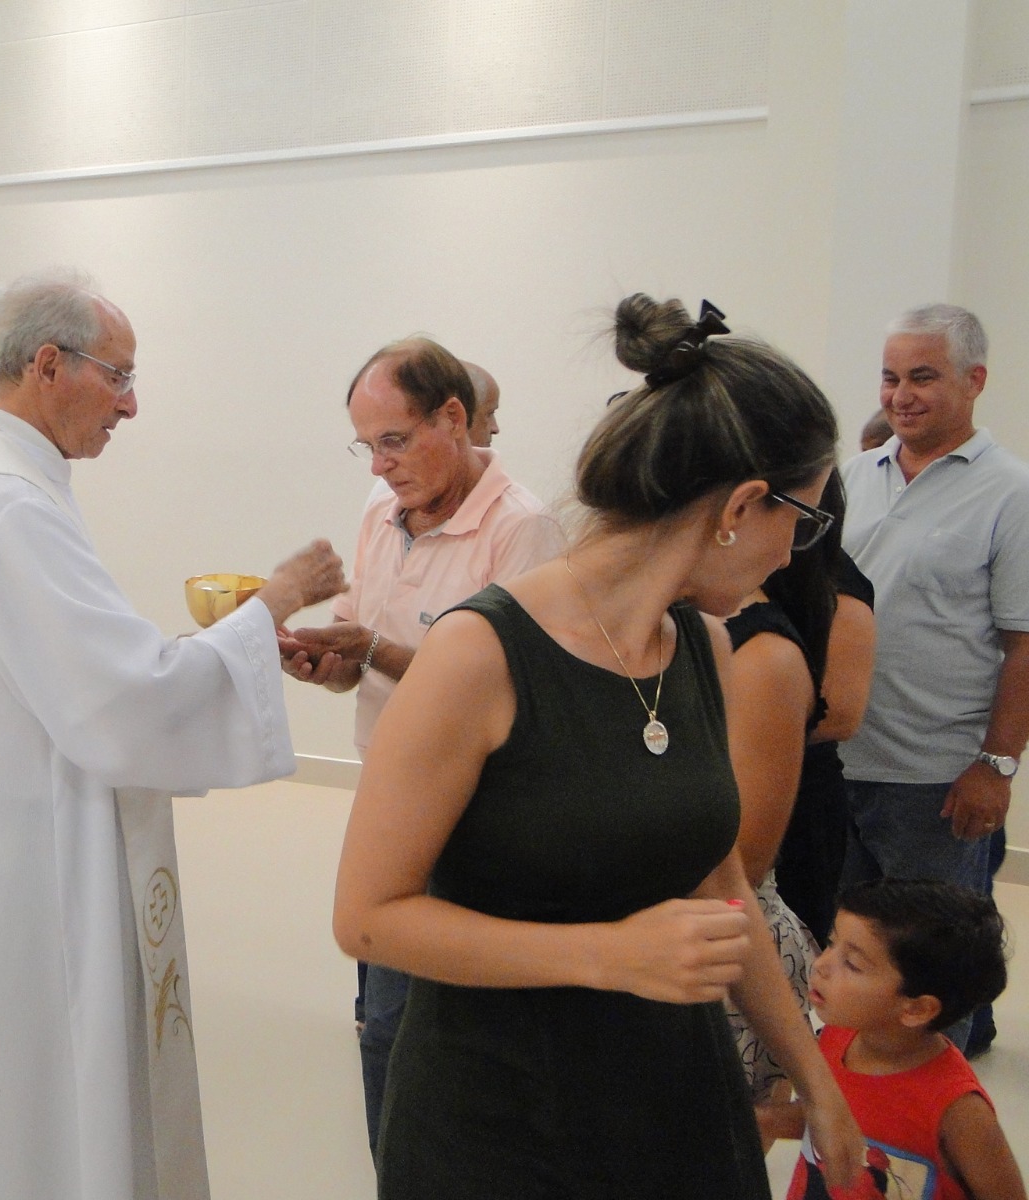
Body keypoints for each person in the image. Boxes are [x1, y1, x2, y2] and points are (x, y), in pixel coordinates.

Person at [332, 294, 863, 1198]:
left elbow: (720, 882)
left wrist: (814, 1078)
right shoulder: (480, 654)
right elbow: (369, 918)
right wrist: (606, 954)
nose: (792, 557)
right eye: (803, 524)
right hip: (501, 1114)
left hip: (669, 1095)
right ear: (741, 506)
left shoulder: (705, 648)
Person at [0, 268, 346, 1200]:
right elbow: (122, 704)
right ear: (49, 365)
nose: (130, 406)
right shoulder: (9, 506)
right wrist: (275, 599)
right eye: (119, 377)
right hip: (35, 868)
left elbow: (89, 675)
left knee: (2, 1103)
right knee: (43, 1098)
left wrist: (221, 644)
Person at [278, 337, 559, 1154]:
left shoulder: (523, 529)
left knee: (428, 1036)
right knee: (382, 1030)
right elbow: (363, 656)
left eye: (395, 441)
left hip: (476, 817)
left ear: (455, 418)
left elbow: (507, 693)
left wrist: (372, 650)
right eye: (367, 446)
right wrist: (330, 664)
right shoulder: (382, 509)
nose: (379, 466)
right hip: (386, 796)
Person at [839, 303, 1029, 1055]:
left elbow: (1024, 645)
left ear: (974, 381)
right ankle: (866, 1078)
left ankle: (939, 1087)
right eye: (890, 378)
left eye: (922, 377)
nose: (901, 395)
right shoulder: (855, 476)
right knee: (855, 950)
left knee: (933, 958)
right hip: (839, 757)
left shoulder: (1011, 492)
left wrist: (996, 765)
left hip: (936, 776)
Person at [723, 468, 875, 1105]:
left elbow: (840, 713)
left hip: (801, 796)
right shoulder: (710, 598)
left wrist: (756, 725)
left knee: (779, 971)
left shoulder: (833, 590)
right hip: (745, 789)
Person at [761, 880, 1023, 1200]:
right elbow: (831, 1118)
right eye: (831, 943)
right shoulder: (836, 1037)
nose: (822, 965)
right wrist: (762, 1120)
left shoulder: (959, 1109)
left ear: (917, 1009)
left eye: (852, 964)